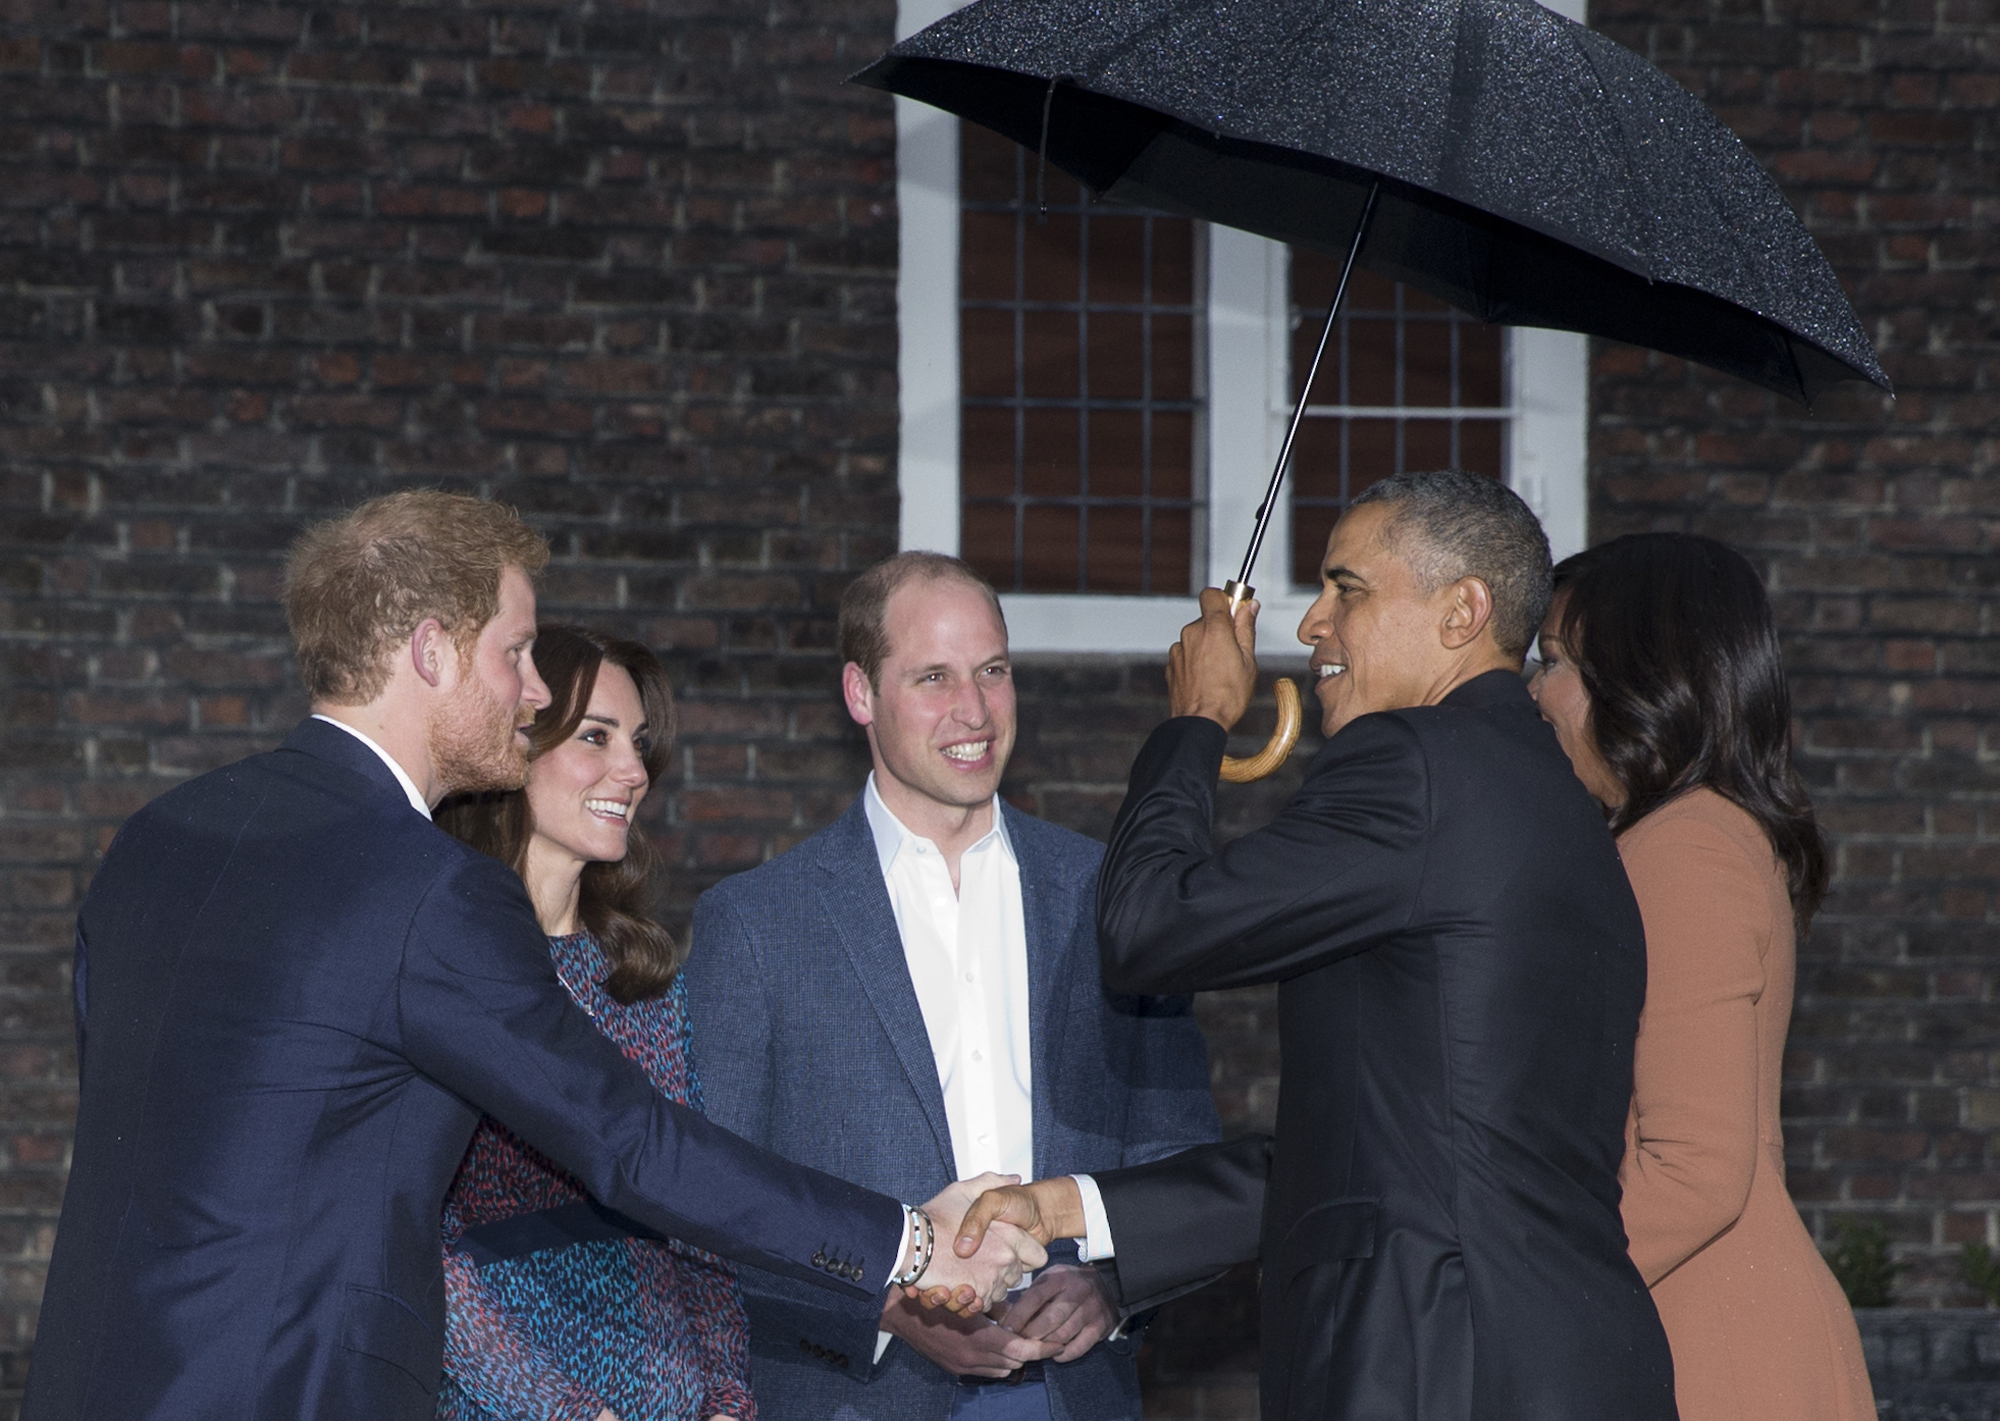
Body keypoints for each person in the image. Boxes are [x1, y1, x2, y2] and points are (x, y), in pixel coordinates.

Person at [24, 492, 1042, 1421]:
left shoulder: (158, 836)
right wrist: (908, 1239)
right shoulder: (431, 887)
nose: (526, 690)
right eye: (512, 653)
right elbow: (628, 1142)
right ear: (430, 650)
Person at [950, 471, 1678, 1421]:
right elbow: (1377, 1152)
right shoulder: (1572, 815)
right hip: (1580, 1361)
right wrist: (1067, 1210)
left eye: (1350, 590)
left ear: (1464, 611)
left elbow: (1146, 928)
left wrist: (1195, 722)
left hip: (1436, 1364)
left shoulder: (1415, 763)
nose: (1311, 626)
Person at [681, 551, 1221, 1421]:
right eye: (933, 677)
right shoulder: (756, 922)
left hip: (1074, 1391)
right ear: (861, 694)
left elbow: (1178, 1144)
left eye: (993, 671)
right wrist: (886, 1309)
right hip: (859, 1395)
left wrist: (1116, 1288)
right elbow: (708, 1201)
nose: (973, 711)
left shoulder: (1110, 896)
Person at [1527, 532, 1875, 1421]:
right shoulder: (1669, 839)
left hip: (1713, 1345)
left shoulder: (1685, 847)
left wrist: (1506, 1294)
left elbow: (1694, 1168)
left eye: (1556, 662)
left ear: (1643, 677)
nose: (1535, 691)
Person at [432, 624, 752, 1421]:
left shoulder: (638, 976)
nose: (635, 771)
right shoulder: (440, 967)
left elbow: (697, 1220)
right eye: (596, 737)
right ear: (516, 744)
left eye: (639, 744)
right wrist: (564, 1410)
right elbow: (413, 1241)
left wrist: (726, 1396)